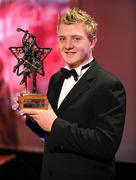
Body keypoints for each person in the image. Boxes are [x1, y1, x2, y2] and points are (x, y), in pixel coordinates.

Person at [13, 8, 126, 180]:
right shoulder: (56, 79)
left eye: (76, 38)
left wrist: (53, 123)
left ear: (93, 41)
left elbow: (106, 145)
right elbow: (51, 135)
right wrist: (32, 117)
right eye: (62, 39)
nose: (67, 46)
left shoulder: (109, 85)